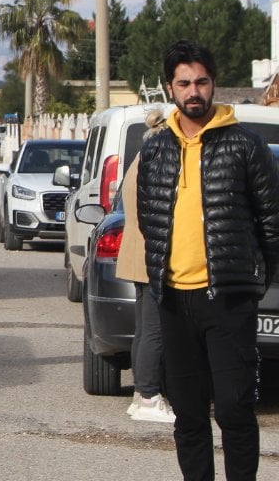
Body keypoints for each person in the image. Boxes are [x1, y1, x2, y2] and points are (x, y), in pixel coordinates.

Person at [136, 40, 279, 481]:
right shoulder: (156, 149)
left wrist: (257, 281)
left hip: (228, 300)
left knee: (235, 407)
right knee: (189, 413)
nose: (193, 90)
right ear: (170, 88)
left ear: (213, 84)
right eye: (184, 83)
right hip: (174, 301)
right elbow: (148, 218)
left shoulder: (245, 146)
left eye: (200, 81)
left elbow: (272, 220)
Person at [114, 110, 176, 423]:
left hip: (140, 255)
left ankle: (143, 393)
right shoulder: (157, 162)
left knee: (145, 329)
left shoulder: (140, 160)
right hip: (153, 256)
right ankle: (149, 395)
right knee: (154, 330)